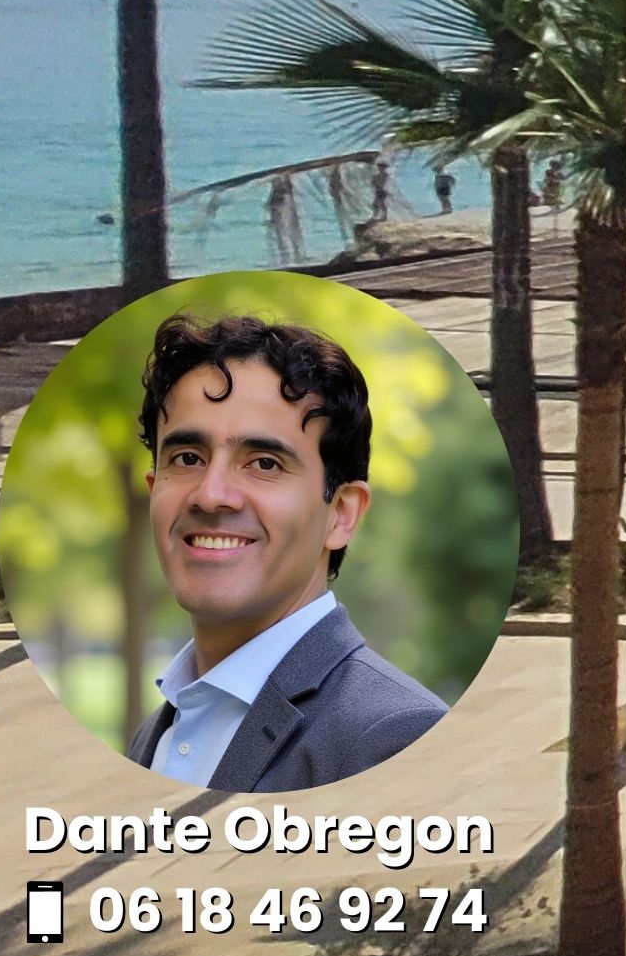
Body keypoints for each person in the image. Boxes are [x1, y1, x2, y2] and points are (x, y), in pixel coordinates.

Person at [126, 313, 448, 787]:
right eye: (188, 458)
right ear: (154, 491)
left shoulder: (392, 737)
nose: (211, 494)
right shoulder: (159, 732)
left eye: (264, 463)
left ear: (341, 514)